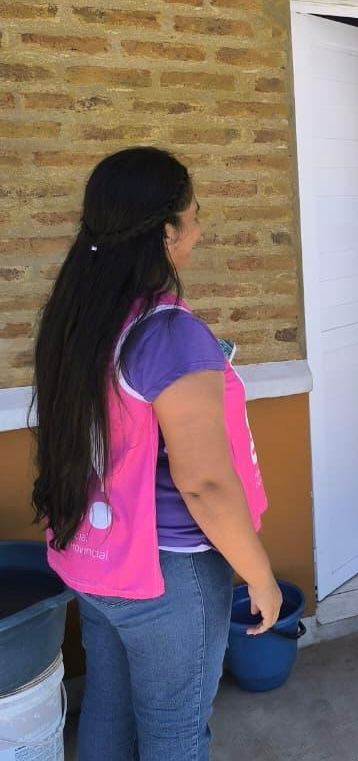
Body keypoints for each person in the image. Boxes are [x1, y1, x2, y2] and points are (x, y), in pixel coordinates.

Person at [31, 147, 282, 761]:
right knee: (175, 733)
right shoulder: (168, 333)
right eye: (194, 216)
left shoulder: (81, 318)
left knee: (108, 711)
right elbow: (205, 484)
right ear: (166, 232)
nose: (199, 230)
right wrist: (260, 575)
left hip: (94, 559)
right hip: (169, 575)